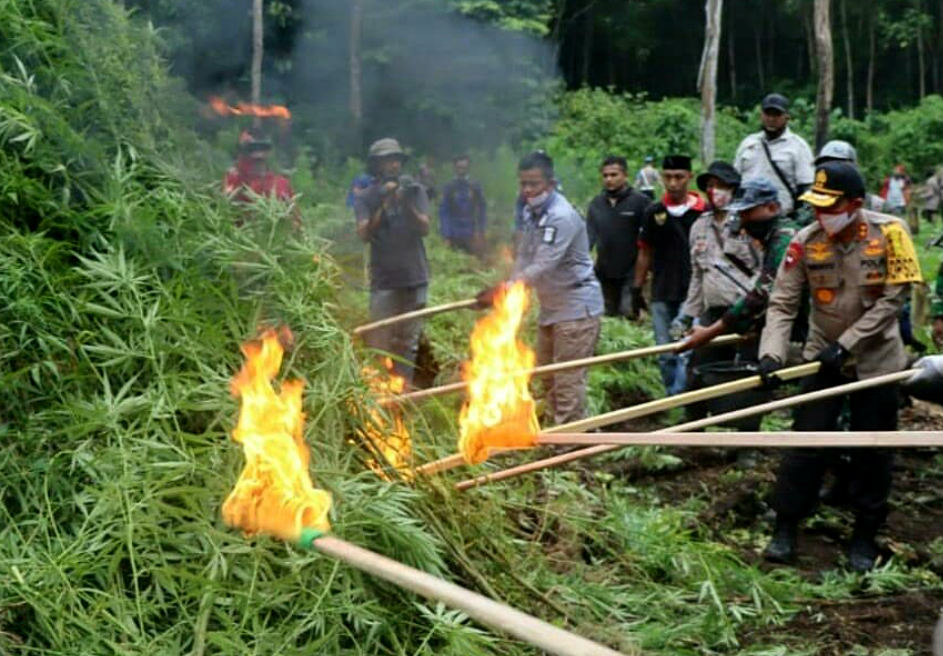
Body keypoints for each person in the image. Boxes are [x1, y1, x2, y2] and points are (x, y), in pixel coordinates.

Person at [757, 161, 923, 572]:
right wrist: (772, 354)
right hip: (821, 357)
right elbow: (782, 303)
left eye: (830, 207)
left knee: (874, 451)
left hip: (877, 362)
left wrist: (846, 344)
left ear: (855, 204)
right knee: (805, 444)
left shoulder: (892, 234)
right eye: (816, 207)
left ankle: (865, 535)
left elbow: (891, 302)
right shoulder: (805, 240)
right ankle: (785, 526)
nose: (821, 216)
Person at [479, 151, 604, 425]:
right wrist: (506, 288)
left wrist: (508, 287)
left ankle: (568, 446)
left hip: (576, 306)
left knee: (567, 379)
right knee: (547, 374)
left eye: (533, 184)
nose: (527, 190)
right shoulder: (530, 212)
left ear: (550, 183)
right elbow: (524, 255)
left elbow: (544, 264)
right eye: (523, 184)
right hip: (551, 307)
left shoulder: (561, 216)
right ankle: (565, 432)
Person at [679, 177, 795, 353]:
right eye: (740, 214)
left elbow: (762, 293)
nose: (742, 219)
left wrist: (711, 332)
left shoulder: (784, 239)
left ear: (772, 208)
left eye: (747, 212)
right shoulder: (766, 238)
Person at [355, 138, 431, 384]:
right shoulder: (366, 197)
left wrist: (406, 203)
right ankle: (381, 394)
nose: (394, 165)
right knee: (380, 342)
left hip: (414, 277)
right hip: (384, 281)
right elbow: (364, 234)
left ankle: (404, 395)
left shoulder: (415, 190)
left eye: (397, 159)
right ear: (376, 165)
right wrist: (384, 206)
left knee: (407, 344)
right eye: (388, 160)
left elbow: (424, 228)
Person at [632, 155, 706, 395]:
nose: (673, 183)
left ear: (689, 178)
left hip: (693, 294)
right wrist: (637, 289)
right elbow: (645, 253)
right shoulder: (654, 212)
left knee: (686, 350)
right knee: (664, 353)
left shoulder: (703, 211)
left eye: (679, 177)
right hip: (662, 291)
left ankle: (679, 401)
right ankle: (670, 395)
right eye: (668, 177)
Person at [673, 161, 751, 335]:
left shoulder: (748, 222)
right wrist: (688, 314)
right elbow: (698, 275)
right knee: (700, 361)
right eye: (710, 186)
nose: (714, 190)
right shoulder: (699, 226)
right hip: (713, 312)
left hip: (745, 311)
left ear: (733, 189)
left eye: (721, 185)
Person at [586, 155, 651, 318]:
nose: (609, 179)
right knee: (607, 318)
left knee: (628, 314)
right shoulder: (596, 204)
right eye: (605, 175)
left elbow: (650, 241)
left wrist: (646, 274)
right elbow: (588, 239)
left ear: (625, 175)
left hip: (631, 272)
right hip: (604, 273)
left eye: (614, 175)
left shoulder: (641, 202)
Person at [734, 93, 815, 217]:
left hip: (781, 218)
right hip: (746, 216)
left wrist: (800, 218)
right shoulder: (748, 143)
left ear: (787, 117)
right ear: (761, 115)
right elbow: (735, 181)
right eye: (768, 114)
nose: (771, 119)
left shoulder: (798, 147)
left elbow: (806, 188)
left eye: (777, 114)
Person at [223, 129, 299, 228]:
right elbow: (227, 208)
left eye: (261, 149)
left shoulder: (281, 183)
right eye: (251, 150)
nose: (258, 155)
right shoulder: (235, 180)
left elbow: (295, 218)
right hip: (245, 237)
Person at [439, 155, 487, 256]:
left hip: (471, 232)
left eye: (464, 167)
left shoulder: (475, 186)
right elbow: (444, 212)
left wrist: (480, 231)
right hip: (454, 233)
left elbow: (481, 210)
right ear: (455, 168)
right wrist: (446, 234)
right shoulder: (449, 187)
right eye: (459, 167)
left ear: (468, 168)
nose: (461, 170)